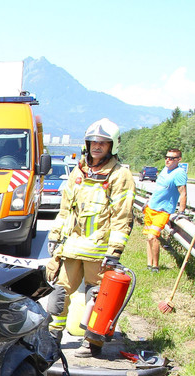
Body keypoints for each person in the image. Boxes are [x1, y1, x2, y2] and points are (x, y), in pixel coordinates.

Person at [46, 118, 136, 357]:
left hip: (100, 250)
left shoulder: (119, 175)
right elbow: (66, 210)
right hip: (73, 247)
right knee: (59, 291)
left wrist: (115, 250)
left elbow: (122, 215)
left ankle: (93, 341)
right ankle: (53, 337)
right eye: (93, 142)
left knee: (98, 296)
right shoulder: (79, 172)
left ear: (112, 146)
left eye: (103, 143)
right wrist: (55, 238)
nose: (97, 147)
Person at [142, 148, 187, 272]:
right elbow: (158, 189)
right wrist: (148, 202)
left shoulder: (179, 173)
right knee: (148, 237)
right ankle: (149, 264)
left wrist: (181, 212)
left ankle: (155, 266)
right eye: (167, 157)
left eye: (172, 158)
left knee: (153, 236)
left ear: (179, 160)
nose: (168, 160)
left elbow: (183, 193)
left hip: (163, 211)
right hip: (151, 208)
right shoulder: (165, 170)